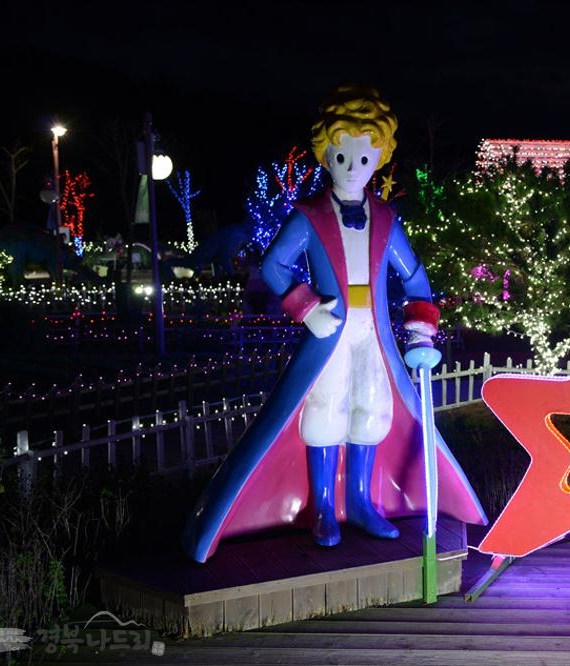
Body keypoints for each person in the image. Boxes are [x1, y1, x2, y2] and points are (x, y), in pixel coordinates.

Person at [181, 84, 486, 562]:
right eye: (342, 156)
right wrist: (306, 308)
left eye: (363, 158)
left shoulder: (385, 218)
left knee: (372, 410)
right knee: (324, 412)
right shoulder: (309, 216)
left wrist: (420, 333)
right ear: (326, 154)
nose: (352, 167)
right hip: (331, 333)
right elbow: (274, 265)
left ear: (379, 157)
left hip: (373, 335)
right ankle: (324, 505)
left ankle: (360, 501)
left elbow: (415, 278)